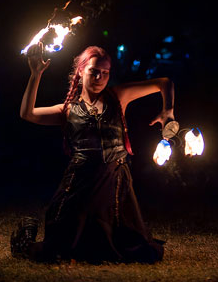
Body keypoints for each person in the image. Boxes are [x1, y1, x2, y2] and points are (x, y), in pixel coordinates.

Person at [18, 43, 171, 263]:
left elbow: (164, 83)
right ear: (81, 71)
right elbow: (28, 113)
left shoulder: (118, 97)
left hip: (115, 180)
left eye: (105, 73)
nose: (100, 77)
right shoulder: (68, 110)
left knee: (135, 249)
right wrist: (35, 75)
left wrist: (168, 111)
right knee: (61, 248)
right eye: (94, 71)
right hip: (81, 181)